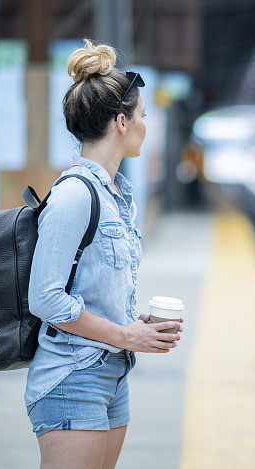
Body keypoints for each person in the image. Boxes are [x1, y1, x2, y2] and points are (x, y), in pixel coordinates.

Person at [24, 39, 183, 469]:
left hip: (111, 374)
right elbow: (46, 298)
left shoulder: (116, 195)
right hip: (73, 377)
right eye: (142, 116)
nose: (145, 126)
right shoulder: (75, 195)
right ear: (120, 122)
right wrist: (126, 336)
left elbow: (92, 286)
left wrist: (135, 326)